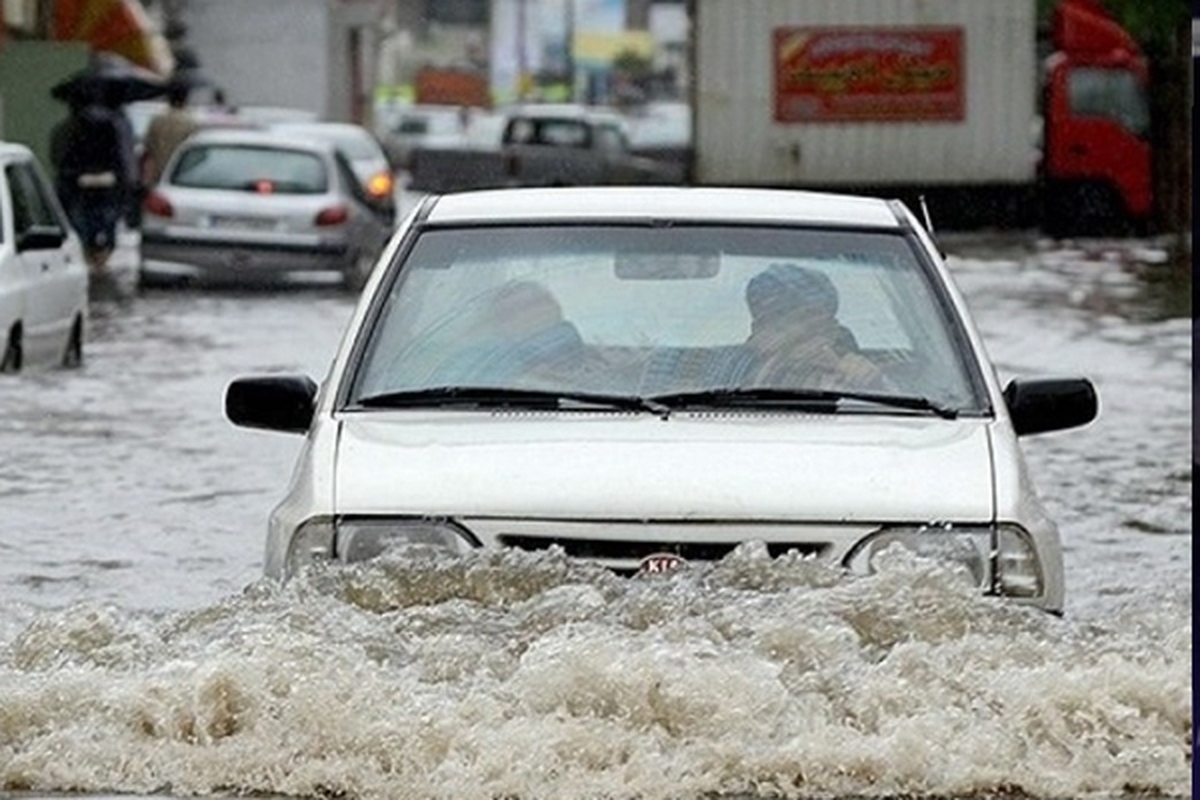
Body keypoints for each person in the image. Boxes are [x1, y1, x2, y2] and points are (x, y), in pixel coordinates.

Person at [741, 263, 889, 392]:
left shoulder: (854, 373)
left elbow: (888, 410)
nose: (759, 337)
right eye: (762, 320)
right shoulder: (738, 369)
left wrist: (872, 382)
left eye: (782, 314)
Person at [49, 82, 139, 275]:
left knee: (82, 224)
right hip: (106, 186)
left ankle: (90, 261)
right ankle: (99, 262)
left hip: (78, 185)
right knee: (105, 224)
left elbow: (59, 158)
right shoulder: (113, 125)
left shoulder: (67, 128)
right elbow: (121, 157)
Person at [141, 79, 200, 186]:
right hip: (180, 177)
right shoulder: (191, 123)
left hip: (157, 176)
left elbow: (148, 150)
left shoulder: (157, 121)